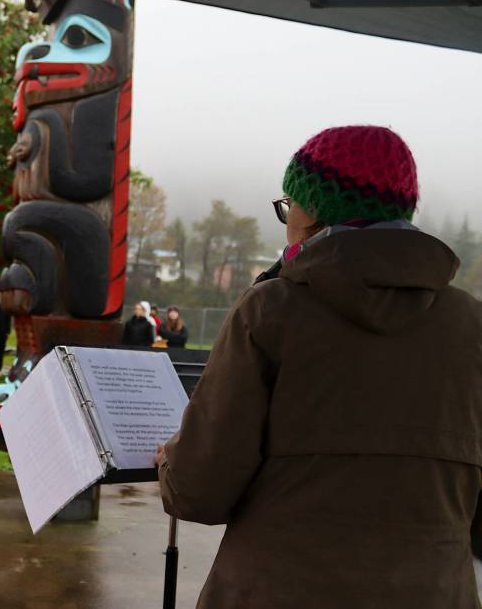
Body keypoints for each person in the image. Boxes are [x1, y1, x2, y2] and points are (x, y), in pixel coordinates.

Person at [155, 125, 482, 607]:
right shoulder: (472, 323)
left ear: (314, 212)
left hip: (277, 589)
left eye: (289, 205)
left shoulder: (271, 310)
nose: (286, 220)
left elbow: (200, 491)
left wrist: (168, 462)